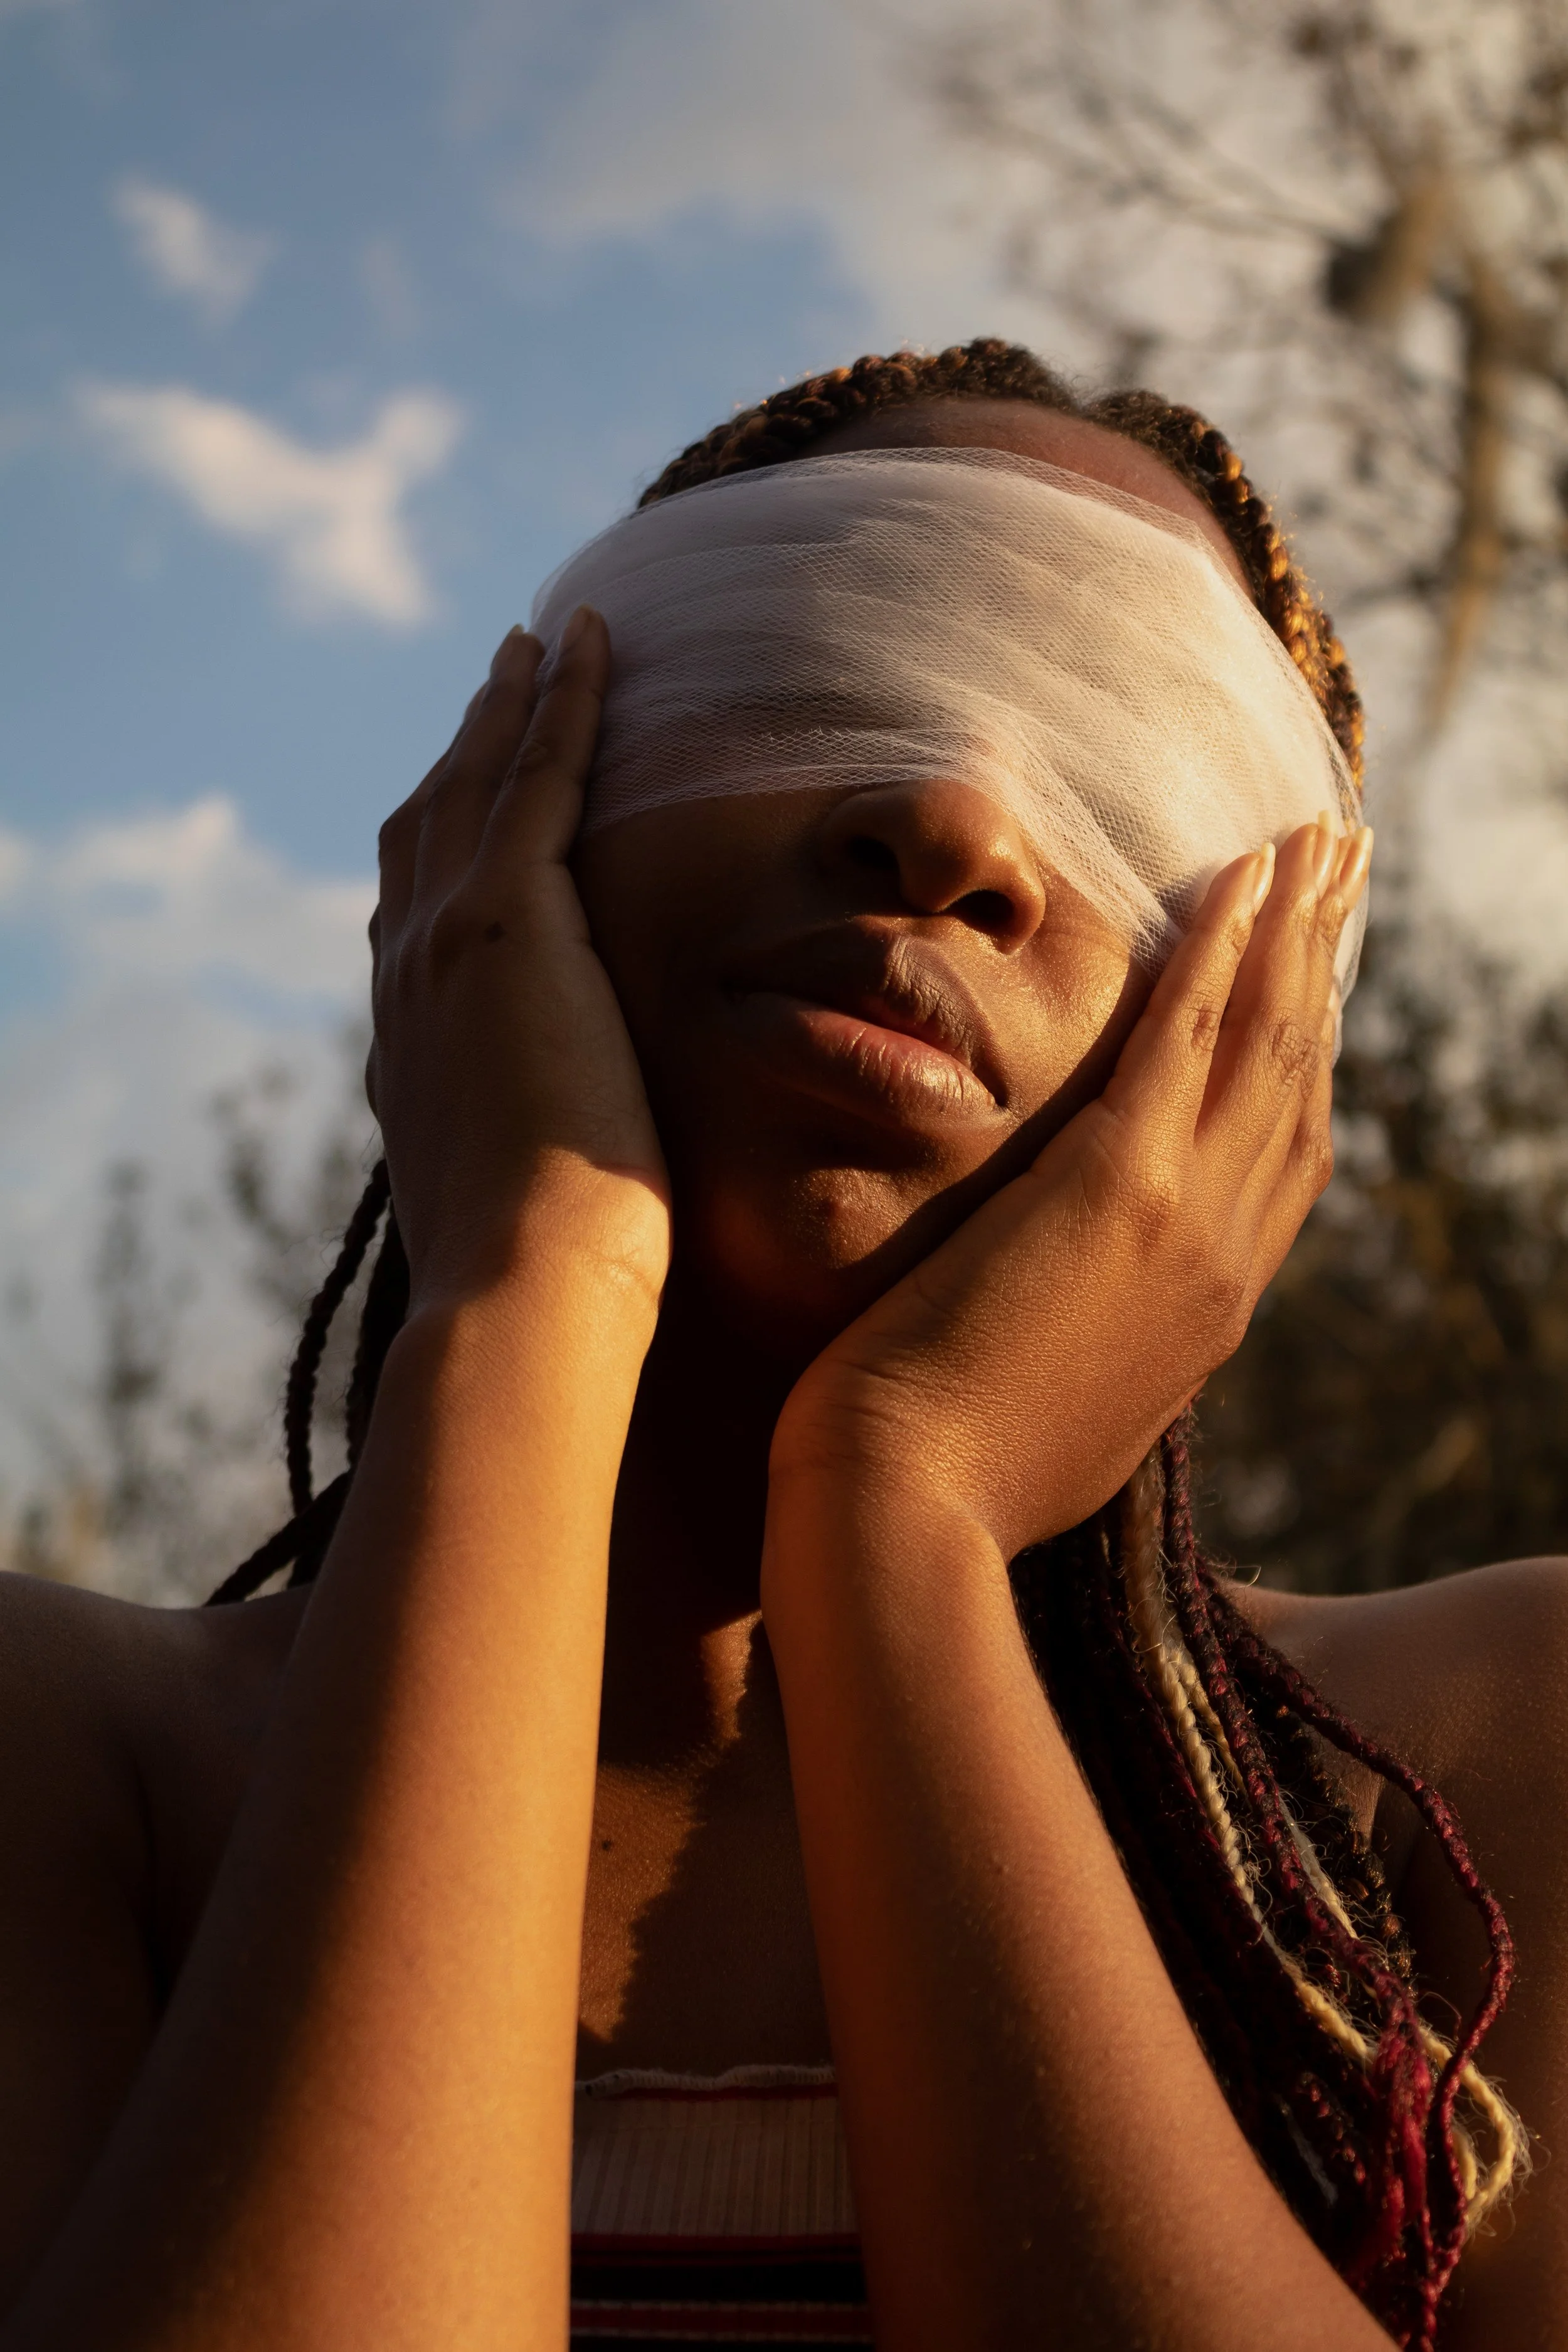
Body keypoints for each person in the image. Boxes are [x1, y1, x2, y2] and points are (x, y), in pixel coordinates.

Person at [0, 339, 1562, 2352]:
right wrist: (530, 1300)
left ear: (1264, 1055)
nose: (952, 821)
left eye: (1127, 764)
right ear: (505, 813)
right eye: (836, 647)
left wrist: (900, 1514)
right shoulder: (61, 1758)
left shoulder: (1469, 1778)